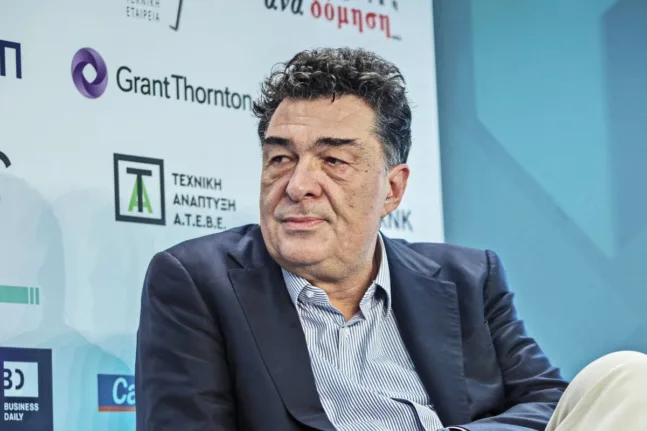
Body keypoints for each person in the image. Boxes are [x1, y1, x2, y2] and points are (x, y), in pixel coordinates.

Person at [134, 47, 647, 431]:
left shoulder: (468, 278)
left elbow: (551, 405)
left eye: (334, 160)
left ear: (393, 189)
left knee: (628, 377)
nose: (297, 184)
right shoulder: (198, 281)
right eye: (281, 158)